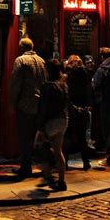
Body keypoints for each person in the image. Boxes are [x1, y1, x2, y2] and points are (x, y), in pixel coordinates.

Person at [9, 37, 47, 179]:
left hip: (25, 104)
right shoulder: (41, 61)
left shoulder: (20, 61)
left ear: (21, 47)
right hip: (39, 104)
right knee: (36, 136)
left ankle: (26, 166)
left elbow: (16, 83)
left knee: (25, 137)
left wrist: (12, 102)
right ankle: (41, 164)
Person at [37, 59, 69, 191]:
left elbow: (43, 109)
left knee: (40, 144)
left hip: (51, 121)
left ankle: (47, 173)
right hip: (63, 119)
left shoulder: (47, 86)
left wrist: (40, 127)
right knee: (57, 150)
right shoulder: (63, 85)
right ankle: (61, 180)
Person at [63, 55, 91, 171]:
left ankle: (65, 162)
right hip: (83, 108)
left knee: (67, 135)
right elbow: (89, 90)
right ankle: (86, 162)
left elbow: (67, 93)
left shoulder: (69, 76)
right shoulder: (85, 75)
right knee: (82, 136)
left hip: (72, 108)